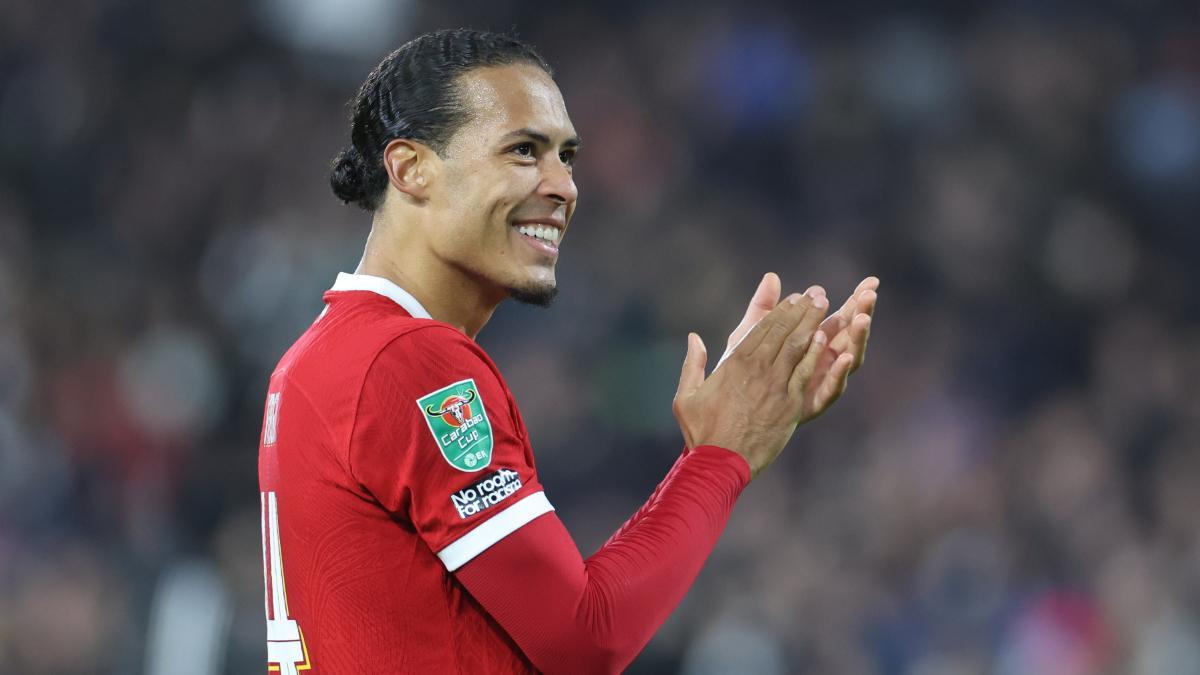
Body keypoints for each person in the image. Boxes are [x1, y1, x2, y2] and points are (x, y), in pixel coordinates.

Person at [257, 28, 878, 674]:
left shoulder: (314, 360)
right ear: (411, 168)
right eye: (523, 151)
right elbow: (586, 638)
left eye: (566, 157)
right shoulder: (409, 363)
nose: (563, 186)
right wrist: (722, 456)